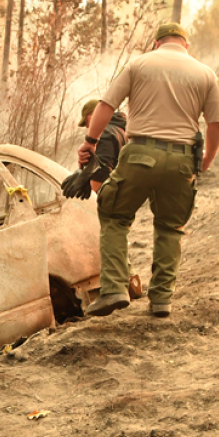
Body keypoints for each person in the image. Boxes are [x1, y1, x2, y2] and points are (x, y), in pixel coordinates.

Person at [78, 22, 219, 318]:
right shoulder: (205, 73)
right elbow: (217, 124)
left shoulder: (139, 64)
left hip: (140, 154)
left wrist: (91, 142)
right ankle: (161, 301)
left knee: (113, 213)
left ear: (156, 44)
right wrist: (205, 161)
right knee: (171, 228)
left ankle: (115, 289)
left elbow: (107, 105)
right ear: (186, 46)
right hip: (182, 160)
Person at [78, 99, 142, 300]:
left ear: (91, 117)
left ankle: (118, 289)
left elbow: (103, 168)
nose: (88, 128)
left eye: (87, 123)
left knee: (110, 237)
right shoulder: (124, 128)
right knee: (120, 235)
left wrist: (96, 194)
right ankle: (132, 283)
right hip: (130, 188)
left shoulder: (105, 133)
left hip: (113, 191)